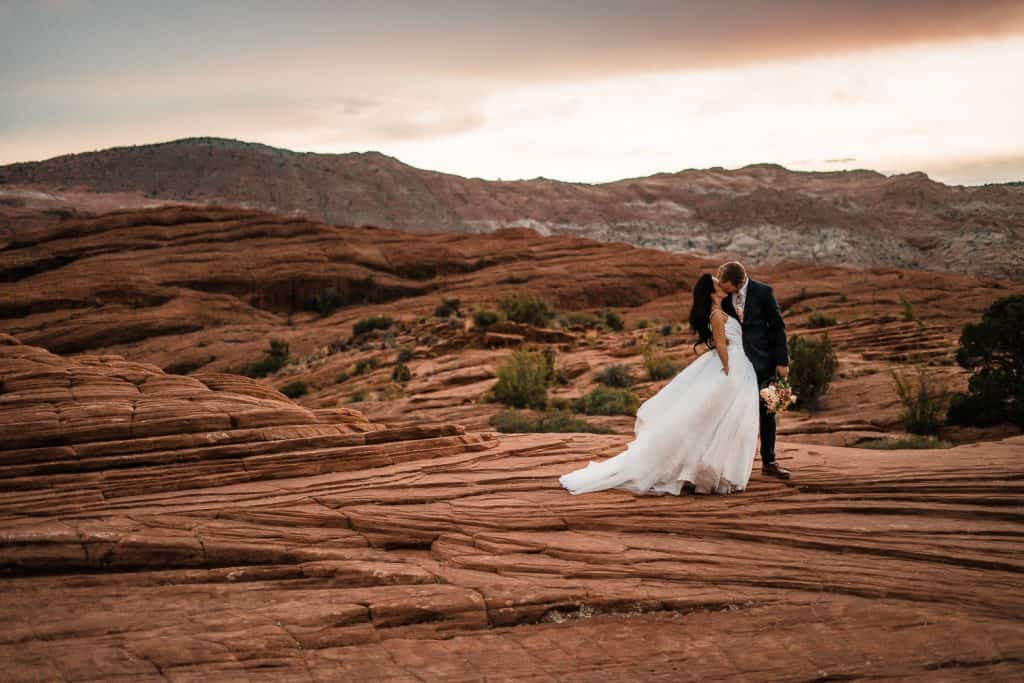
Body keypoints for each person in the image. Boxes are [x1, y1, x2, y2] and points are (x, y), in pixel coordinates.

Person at [559, 273, 760, 495]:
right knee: (712, 419)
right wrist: (728, 368)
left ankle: (710, 470)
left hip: (737, 365)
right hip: (730, 366)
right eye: (717, 283)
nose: (721, 284)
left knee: (722, 420)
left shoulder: (724, 309)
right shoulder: (716, 313)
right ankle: (698, 470)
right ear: (711, 292)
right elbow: (722, 345)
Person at [715, 261, 791, 478]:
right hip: (736, 364)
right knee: (732, 412)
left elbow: (777, 326)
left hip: (764, 362)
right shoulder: (722, 296)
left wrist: (782, 361)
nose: (723, 288)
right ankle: (729, 465)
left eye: (726, 285)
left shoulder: (763, 292)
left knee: (767, 412)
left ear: (739, 282)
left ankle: (769, 462)